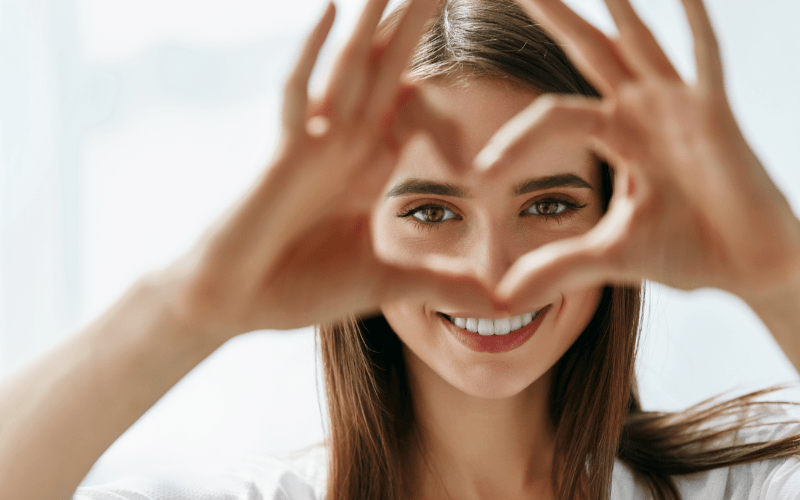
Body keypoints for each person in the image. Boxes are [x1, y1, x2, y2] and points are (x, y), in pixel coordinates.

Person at [1, 0, 799, 498]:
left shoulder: (743, 487)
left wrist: (779, 272)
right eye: (431, 211)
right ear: (359, 224)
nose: (494, 269)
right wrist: (186, 309)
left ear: (614, 215)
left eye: (549, 204)